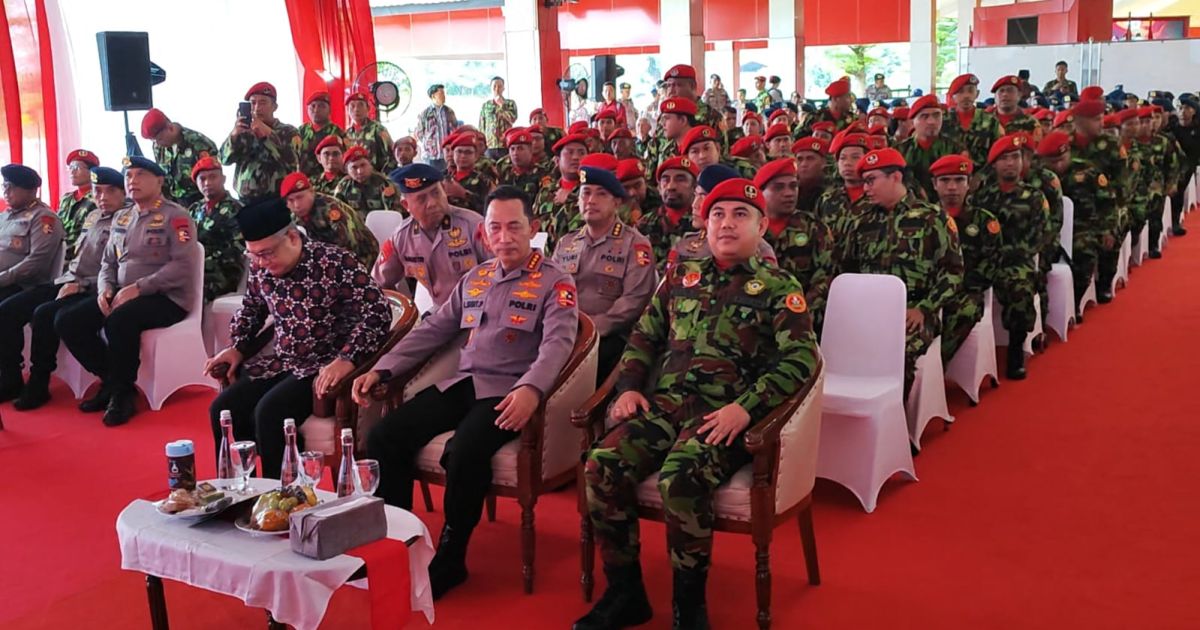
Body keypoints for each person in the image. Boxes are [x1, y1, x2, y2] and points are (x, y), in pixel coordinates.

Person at [574, 177, 819, 630]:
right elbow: (644, 338)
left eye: (740, 215)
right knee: (601, 464)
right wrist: (628, 385)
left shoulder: (778, 287)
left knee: (680, 478)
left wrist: (747, 408)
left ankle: (689, 609)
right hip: (665, 406)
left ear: (761, 226)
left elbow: (802, 360)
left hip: (723, 418)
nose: (727, 224)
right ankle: (625, 593)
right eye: (718, 215)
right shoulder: (681, 278)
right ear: (704, 225)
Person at [357, 186, 577, 600]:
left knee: (464, 450)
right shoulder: (475, 278)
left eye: (515, 227)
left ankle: (451, 556)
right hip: (464, 382)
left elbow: (558, 346)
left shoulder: (555, 282)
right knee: (385, 435)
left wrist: (531, 389)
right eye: (496, 227)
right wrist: (381, 368)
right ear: (485, 234)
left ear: (533, 228)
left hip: (509, 393)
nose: (505, 236)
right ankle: (397, 542)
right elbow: (433, 330)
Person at [205, 196, 391, 476]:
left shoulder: (335, 261)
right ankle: (242, 493)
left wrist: (348, 358)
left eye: (266, 254)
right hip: (283, 361)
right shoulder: (260, 268)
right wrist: (237, 347)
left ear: (292, 237)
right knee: (223, 409)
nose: (260, 263)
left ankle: (279, 504)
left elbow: (378, 312)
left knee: (269, 413)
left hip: (324, 367)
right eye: (252, 255)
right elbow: (252, 309)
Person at [56, 157, 198, 426]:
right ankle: (111, 381)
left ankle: (122, 395)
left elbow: (183, 265)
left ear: (159, 181)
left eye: (140, 174)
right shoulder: (123, 216)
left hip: (166, 297)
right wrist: (104, 288)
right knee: (68, 320)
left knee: (120, 320)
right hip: (122, 293)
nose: (132, 180)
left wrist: (139, 288)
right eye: (129, 175)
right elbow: (107, 262)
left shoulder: (175, 216)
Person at [839, 148, 963, 396]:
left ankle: (894, 424)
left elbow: (953, 273)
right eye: (864, 182)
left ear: (895, 177)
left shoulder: (932, 218)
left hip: (914, 311)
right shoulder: (860, 222)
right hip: (869, 312)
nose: (865, 189)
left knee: (898, 354)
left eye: (871, 180)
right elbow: (846, 272)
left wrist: (925, 308)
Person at [12, 166, 125, 410]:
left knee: (52, 316)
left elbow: (119, 270)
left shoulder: (127, 221)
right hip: (70, 280)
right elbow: (79, 258)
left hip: (96, 288)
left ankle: (111, 379)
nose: (102, 197)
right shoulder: (94, 217)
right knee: (17, 308)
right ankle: (35, 379)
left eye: (110, 191)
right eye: (98, 192)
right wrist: (69, 280)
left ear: (124, 193)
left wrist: (81, 284)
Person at [551, 165, 656, 381]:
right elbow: (549, 290)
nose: (591, 200)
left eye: (601, 194)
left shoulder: (635, 244)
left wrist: (589, 330)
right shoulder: (566, 242)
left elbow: (634, 301)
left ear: (616, 202)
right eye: (586, 193)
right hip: (562, 331)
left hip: (609, 337)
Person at [971, 135, 1049, 379]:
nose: (1010, 163)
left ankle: (1016, 350)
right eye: (1004, 158)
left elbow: (1040, 238)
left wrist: (1004, 254)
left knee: (1020, 290)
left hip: (1016, 262)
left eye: (1015, 157)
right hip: (983, 261)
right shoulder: (982, 197)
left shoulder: (1034, 198)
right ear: (994, 164)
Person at [373, 163, 491, 306]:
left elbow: (506, 272)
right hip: (440, 314)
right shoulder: (401, 237)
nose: (432, 203)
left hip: (479, 310)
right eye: (422, 199)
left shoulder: (473, 225)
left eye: (436, 193)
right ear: (406, 205)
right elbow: (377, 284)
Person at [0, 164, 65, 402]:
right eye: (4, 186)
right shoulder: (5, 216)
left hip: (31, 285)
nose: (6, 192)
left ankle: (11, 377)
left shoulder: (44, 219)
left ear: (30, 190)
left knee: (5, 312)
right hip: (7, 283)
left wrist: (2, 279)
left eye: (11, 187)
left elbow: (36, 263)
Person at [1036, 130, 1117, 318]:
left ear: (1069, 153)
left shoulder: (1088, 171)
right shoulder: (1038, 176)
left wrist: (1107, 229)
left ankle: (1075, 301)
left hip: (1083, 226)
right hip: (1046, 229)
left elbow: (1107, 202)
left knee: (1085, 251)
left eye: (1062, 159)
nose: (1058, 165)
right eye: (1052, 161)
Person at [932, 155, 1003, 364]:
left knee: (966, 311)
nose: (952, 187)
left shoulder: (984, 220)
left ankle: (935, 367)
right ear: (934, 184)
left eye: (959, 180)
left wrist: (959, 286)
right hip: (931, 289)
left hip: (966, 291)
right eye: (945, 181)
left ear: (969, 184)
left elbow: (992, 262)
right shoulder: (923, 219)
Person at [755, 156, 835, 331]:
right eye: (778, 187)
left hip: (806, 320)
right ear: (761, 192)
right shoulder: (749, 230)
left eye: (793, 186)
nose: (789, 193)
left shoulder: (813, 227)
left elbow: (825, 275)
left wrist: (800, 313)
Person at [219, 82, 300, 200]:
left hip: (278, 200)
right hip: (246, 201)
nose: (257, 108)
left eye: (263, 103)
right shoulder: (243, 131)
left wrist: (267, 133)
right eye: (253, 103)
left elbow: (292, 161)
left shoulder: (288, 131)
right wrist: (234, 136)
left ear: (274, 107)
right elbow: (223, 160)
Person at [280, 172, 378, 269]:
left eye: (300, 197)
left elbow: (349, 243)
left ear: (311, 192)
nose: (296, 205)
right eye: (291, 200)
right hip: (326, 261)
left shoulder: (330, 208)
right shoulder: (294, 216)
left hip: (362, 258)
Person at [187, 157, 245, 301]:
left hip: (223, 271)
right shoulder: (194, 209)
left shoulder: (237, 209)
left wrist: (202, 262)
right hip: (194, 268)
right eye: (202, 179)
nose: (207, 183)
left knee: (188, 294)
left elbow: (237, 248)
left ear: (223, 179)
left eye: (213, 177)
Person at [141, 108, 221, 206]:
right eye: (154, 141)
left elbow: (214, 180)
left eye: (160, 139)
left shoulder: (200, 144)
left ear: (170, 128)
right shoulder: (159, 147)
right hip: (172, 204)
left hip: (198, 203)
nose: (158, 144)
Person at [896, 95, 968, 201]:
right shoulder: (900, 150)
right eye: (924, 116)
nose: (931, 121)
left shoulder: (955, 149)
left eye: (936, 115)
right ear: (912, 122)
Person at [636, 156, 700, 266]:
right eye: (665, 180)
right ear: (659, 188)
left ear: (694, 187)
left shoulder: (703, 225)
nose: (671, 186)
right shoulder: (644, 224)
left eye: (680, 179)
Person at [817, 129, 873, 246]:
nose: (847, 163)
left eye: (855, 157)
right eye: (842, 158)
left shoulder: (876, 197)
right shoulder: (827, 199)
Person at [534, 133, 588, 247]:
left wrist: (572, 199)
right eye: (570, 152)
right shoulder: (546, 192)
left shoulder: (594, 190)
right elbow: (535, 228)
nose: (576, 157)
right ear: (557, 161)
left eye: (581, 153)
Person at [333, 145, 402, 217]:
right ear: (347, 171)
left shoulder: (384, 184)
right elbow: (338, 213)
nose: (360, 171)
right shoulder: (343, 187)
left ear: (370, 164)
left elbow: (394, 214)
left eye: (363, 165)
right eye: (354, 167)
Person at [58, 149, 100, 261]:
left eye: (76, 167)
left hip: (82, 259)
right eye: (70, 168)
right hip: (58, 257)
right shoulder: (66, 199)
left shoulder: (98, 199)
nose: (72, 172)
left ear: (92, 171)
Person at [442, 133, 497, 214]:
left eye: (468, 152)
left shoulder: (484, 180)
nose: (463, 156)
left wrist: (464, 194)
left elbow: (490, 209)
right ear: (453, 154)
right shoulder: (444, 178)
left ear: (476, 156)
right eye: (459, 151)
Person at [296, 92, 344, 179]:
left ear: (329, 110)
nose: (316, 109)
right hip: (305, 181)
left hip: (329, 182)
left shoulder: (338, 132)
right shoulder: (301, 131)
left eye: (322, 106)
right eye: (313, 106)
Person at [345, 91, 395, 175]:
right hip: (354, 179)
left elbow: (392, 156)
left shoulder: (378, 129)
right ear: (348, 110)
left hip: (376, 179)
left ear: (368, 108)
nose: (356, 109)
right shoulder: (346, 134)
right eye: (352, 106)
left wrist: (383, 178)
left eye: (360, 105)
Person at [496, 128, 551, 202]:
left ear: (531, 150)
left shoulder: (542, 173)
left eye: (520, 148)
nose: (515, 153)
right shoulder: (503, 171)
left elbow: (545, 199)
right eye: (512, 149)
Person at [414, 84, 459, 172]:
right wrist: (429, 144)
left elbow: (455, 129)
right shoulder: (425, 113)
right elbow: (419, 133)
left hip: (448, 155)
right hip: (431, 155)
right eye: (441, 94)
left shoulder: (449, 112)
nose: (444, 96)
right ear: (433, 96)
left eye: (444, 94)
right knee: (432, 179)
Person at [479, 76, 518, 161]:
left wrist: (502, 106)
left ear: (503, 88)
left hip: (505, 144)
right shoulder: (486, 105)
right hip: (490, 146)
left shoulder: (510, 103)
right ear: (491, 88)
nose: (497, 89)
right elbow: (482, 126)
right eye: (494, 86)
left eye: (499, 86)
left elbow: (513, 119)